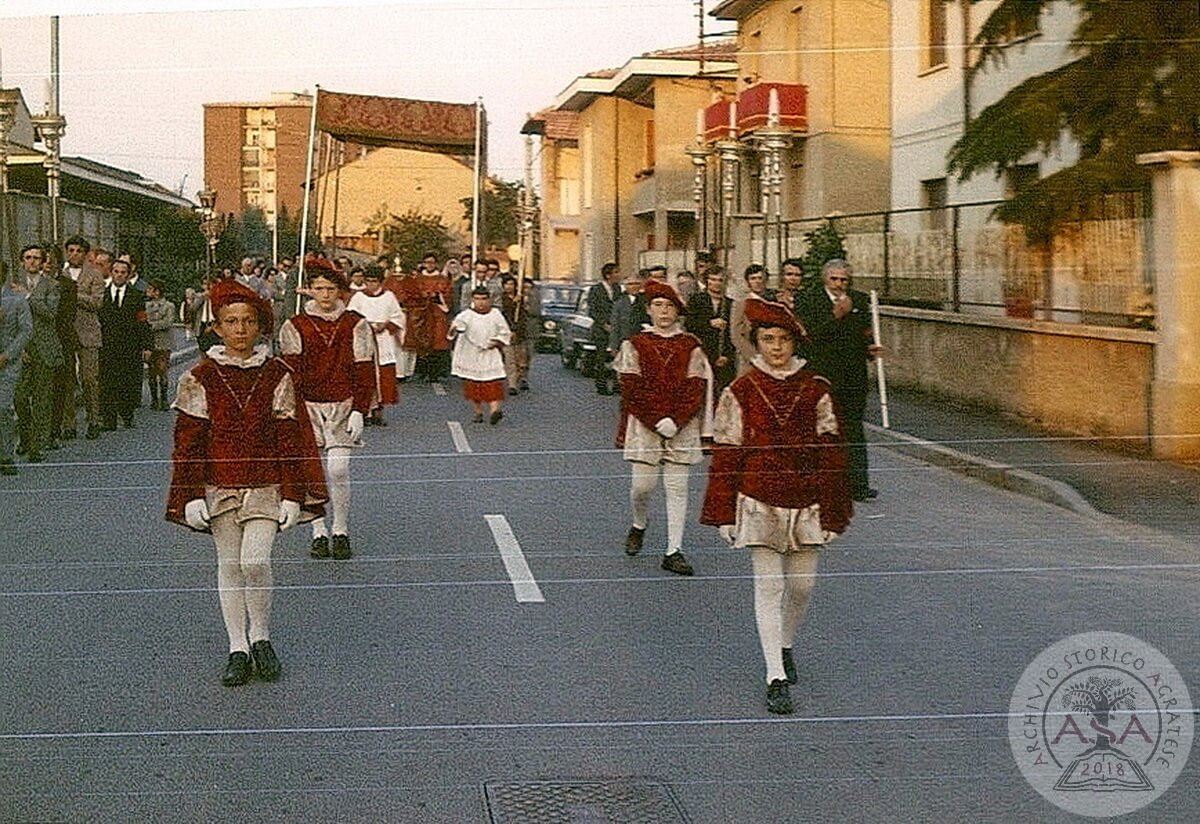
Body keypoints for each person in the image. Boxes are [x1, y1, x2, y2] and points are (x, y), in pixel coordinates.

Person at [167, 278, 327, 687]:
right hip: (218, 485)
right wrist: (188, 497)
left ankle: (261, 636)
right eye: (230, 322)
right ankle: (237, 646)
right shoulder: (199, 377)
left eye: (248, 321)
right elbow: (187, 444)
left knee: (255, 561)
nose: (240, 329)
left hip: (266, 485)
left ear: (260, 327)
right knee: (229, 563)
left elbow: (290, 438)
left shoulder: (277, 374)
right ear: (217, 328)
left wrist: (293, 495)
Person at [700, 298, 853, 715]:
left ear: (794, 342)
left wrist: (836, 511)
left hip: (807, 501)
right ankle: (775, 676)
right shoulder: (740, 391)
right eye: (767, 339)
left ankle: (785, 644)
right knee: (770, 587)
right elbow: (727, 452)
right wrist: (722, 512)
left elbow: (832, 452)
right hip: (758, 499)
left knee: (801, 586)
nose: (776, 347)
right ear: (755, 344)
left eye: (783, 339)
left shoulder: (816, 388)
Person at [279, 257, 376, 561]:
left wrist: (360, 409)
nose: (324, 294)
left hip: (343, 403)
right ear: (310, 291)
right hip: (307, 405)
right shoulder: (295, 325)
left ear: (340, 291)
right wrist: (289, 410)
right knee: (314, 471)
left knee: (338, 468)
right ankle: (318, 531)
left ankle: (341, 528)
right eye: (318, 288)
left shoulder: (355, 323)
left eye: (330, 289)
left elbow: (363, 369)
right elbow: (290, 372)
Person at [613, 279, 712, 577]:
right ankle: (639, 523)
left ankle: (673, 550)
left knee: (677, 488)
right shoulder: (635, 345)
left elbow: (696, 387)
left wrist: (677, 420)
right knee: (642, 487)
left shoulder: (690, 345)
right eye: (658, 305)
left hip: (681, 426)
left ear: (678, 312)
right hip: (645, 424)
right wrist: (657, 419)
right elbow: (631, 388)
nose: (664, 311)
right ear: (648, 310)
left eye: (669, 306)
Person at [795, 259, 883, 502]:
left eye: (843, 279)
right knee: (822, 429)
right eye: (834, 279)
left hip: (854, 376)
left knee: (853, 428)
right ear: (826, 278)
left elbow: (864, 333)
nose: (839, 284)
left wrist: (870, 349)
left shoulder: (860, 299)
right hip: (823, 374)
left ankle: (858, 485)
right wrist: (836, 316)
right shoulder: (809, 299)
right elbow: (809, 337)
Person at [13, 245, 62, 461]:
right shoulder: (12, 286)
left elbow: (51, 314)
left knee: (42, 399)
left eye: (36, 258)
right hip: (20, 348)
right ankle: (24, 437)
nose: (31, 261)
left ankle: (36, 445)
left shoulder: (52, 285)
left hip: (44, 347)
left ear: (43, 262)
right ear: (22, 261)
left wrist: (29, 297)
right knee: (20, 397)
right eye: (27, 258)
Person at [348, 266, 405, 426]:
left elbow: (398, 316)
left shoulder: (389, 297)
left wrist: (386, 324)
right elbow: (350, 317)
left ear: (381, 282)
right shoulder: (358, 297)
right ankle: (364, 412)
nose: (371, 285)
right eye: (369, 281)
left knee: (383, 376)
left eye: (375, 281)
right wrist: (365, 326)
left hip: (383, 339)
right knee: (365, 376)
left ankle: (379, 412)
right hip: (364, 340)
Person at [98, 258, 150, 430]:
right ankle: (109, 419)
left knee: (128, 381)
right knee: (107, 382)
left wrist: (147, 346)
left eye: (123, 272)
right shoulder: (102, 294)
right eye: (116, 272)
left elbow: (143, 321)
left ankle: (127, 414)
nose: (119, 275)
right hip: (107, 346)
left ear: (128, 275)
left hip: (130, 346)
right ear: (111, 273)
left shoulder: (136, 295)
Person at [63, 238, 107, 440]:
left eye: (78, 251)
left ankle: (93, 420)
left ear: (85, 254)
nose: (74, 254)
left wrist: (73, 294)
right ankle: (69, 423)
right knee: (67, 380)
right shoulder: (60, 274)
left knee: (89, 379)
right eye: (70, 250)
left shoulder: (95, 274)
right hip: (65, 332)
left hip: (88, 332)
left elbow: (97, 303)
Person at [449, 285, 512, 424]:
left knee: (493, 383)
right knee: (473, 384)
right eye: (477, 299)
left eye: (484, 299)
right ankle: (478, 412)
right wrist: (456, 328)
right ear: (472, 299)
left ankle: (495, 410)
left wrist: (497, 342)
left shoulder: (496, 314)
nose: (481, 302)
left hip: (490, 352)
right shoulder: (466, 315)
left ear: (489, 300)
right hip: (471, 354)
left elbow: (505, 332)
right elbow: (457, 326)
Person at [396, 252, 452, 383]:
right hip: (421, 313)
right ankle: (421, 371)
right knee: (421, 339)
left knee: (436, 340)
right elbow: (412, 292)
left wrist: (437, 295)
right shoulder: (418, 278)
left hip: (437, 312)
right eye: (427, 262)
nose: (430, 265)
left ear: (436, 264)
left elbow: (447, 293)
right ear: (424, 264)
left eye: (432, 262)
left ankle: (435, 373)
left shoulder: (442, 278)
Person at [685, 265, 736, 397]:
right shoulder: (697, 300)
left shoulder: (731, 304)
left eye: (720, 280)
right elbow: (690, 325)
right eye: (713, 279)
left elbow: (734, 334)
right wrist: (709, 323)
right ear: (707, 281)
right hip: (702, 353)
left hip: (724, 358)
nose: (717, 283)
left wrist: (727, 355)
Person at [0, 271, 33, 476]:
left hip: (7, 363)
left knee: (3, 408)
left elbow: (26, 330)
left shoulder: (17, 300)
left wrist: (8, 355)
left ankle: (6, 456)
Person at [49, 246, 78, 444]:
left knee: (60, 386)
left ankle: (54, 429)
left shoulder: (67, 285)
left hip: (61, 340)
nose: (47, 264)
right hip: (36, 341)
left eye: (52, 260)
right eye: (45, 260)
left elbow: (68, 315)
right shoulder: (27, 285)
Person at [730, 263, 774, 375]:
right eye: (753, 278)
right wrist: (754, 357)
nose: (757, 281)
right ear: (748, 281)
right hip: (750, 358)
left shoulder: (773, 302)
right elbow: (736, 334)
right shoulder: (741, 303)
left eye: (760, 278)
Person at [587, 262, 621, 395]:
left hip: (616, 328)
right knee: (601, 357)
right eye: (616, 272)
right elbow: (592, 310)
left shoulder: (618, 289)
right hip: (601, 329)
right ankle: (601, 385)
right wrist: (603, 324)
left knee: (617, 356)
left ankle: (617, 385)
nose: (618, 275)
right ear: (608, 275)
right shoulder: (596, 289)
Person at [499, 276, 534, 395]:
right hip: (506, 332)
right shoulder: (501, 299)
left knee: (522, 360)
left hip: (521, 334)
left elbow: (526, 315)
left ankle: (521, 378)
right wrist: (513, 303)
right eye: (507, 284)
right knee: (510, 360)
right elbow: (503, 313)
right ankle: (512, 384)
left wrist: (523, 303)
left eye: (511, 284)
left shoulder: (522, 299)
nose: (509, 287)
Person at [143, 280, 175, 411]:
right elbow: (142, 319)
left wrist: (151, 325)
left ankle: (164, 398)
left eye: (151, 289)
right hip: (150, 342)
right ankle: (154, 399)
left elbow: (167, 322)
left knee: (162, 370)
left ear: (157, 291)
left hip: (163, 342)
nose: (148, 292)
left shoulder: (169, 306)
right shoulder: (146, 305)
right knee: (151, 371)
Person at [608, 273, 648, 360]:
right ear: (625, 286)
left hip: (645, 342)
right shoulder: (619, 303)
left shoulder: (647, 301)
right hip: (626, 342)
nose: (634, 286)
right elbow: (615, 325)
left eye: (636, 283)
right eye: (630, 284)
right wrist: (613, 346)